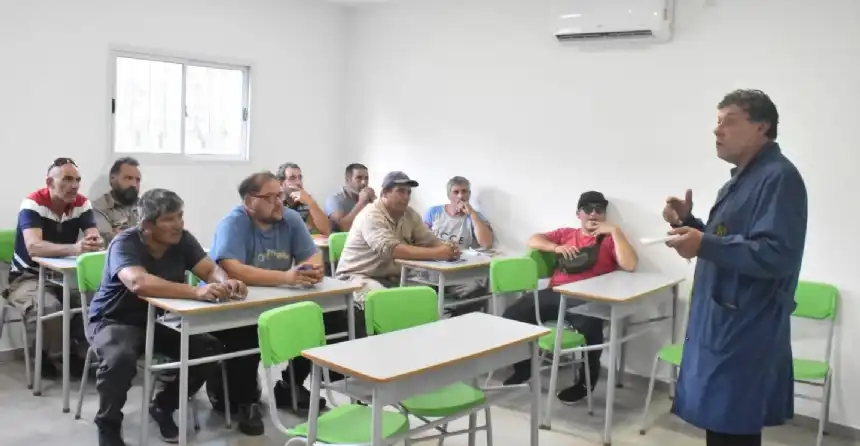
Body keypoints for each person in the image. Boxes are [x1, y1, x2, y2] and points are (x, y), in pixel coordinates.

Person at [664, 89, 807, 446]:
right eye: (716, 122)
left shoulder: (779, 178)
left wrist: (703, 243)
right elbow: (728, 239)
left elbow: (775, 253)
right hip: (723, 323)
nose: (717, 130)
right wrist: (690, 224)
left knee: (733, 431)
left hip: (745, 329)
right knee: (721, 427)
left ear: (762, 127)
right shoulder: (740, 180)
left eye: (728, 121)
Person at [87, 188, 247, 446]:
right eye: (169, 219)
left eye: (180, 216)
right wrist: (195, 291)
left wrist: (225, 282)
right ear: (147, 226)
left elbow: (209, 269)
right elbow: (138, 282)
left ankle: (164, 405)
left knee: (208, 349)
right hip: (113, 320)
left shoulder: (183, 240)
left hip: (153, 321)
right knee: (120, 359)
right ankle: (108, 425)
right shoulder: (124, 243)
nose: (178, 224)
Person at [205, 171, 344, 435]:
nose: (279, 202)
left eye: (279, 195)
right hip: (236, 305)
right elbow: (232, 268)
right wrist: (287, 277)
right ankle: (247, 401)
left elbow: (312, 257)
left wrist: (311, 271)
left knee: (327, 318)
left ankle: (291, 384)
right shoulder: (233, 223)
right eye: (270, 198)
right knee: (246, 334)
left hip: (277, 299)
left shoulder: (290, 219)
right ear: (250, 202)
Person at [501, 191, 638, 404]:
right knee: (512, 314)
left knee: (591, 327)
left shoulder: (610, 240)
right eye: (588, 209)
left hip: (587, 298)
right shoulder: (566, 234)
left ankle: (585, 383)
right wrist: (556, 247)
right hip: (555, 293)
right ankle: (524, 367)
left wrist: (615, 231)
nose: (593, 214)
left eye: (599, 210)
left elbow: (630, 265)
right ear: (578, 214)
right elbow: (533, 240)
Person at [5, 157, 102, 378]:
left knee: (91, 302)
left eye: (77, 180)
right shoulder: (33, 204)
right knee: (50, 307)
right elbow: (34, 247)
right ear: (49, 182)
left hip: (62, 275)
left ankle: (76, 353)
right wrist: (74, 248)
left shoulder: (82, 204)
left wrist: (94, 241)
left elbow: (93, 234)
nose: (74, 185)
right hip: (27, 276)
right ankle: (53, 355)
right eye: (67, 179)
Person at [335, 171, 459, 303]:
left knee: (428, 294)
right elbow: (391, 249)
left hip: (393, 277)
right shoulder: (371, 214)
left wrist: (448, 248)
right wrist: (438, 253)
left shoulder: (410, 214)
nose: (406, 197)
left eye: (408, 192)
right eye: (400, 191)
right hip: (357, 276)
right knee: (386, 301)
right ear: (384, 193)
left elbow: (429, 240)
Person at [422, 175, 494, 306]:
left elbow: (486, 243)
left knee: (476, 289)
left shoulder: (476, 216)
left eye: (464, 191)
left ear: (469, 194)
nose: (461, 196)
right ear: (449, 195)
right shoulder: (434, 212)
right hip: (433, 267)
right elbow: (420, 238)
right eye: (456, 192)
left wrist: (472, 214)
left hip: (458, 270)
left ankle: (454, 315)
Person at [92, 157, 141, 243]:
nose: (134, 184)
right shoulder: (98, 208)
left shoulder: (144, 205)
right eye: (128, 178)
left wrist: (121, 235)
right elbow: (108, 242)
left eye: (137, 180)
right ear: (112, 179)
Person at [276, 162, 330, 236]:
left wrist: (310, 202)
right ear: (281, 183)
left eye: (300, 178)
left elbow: (326, 230)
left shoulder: (306, 200)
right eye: (292, 178)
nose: (298, 182)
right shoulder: (274, 202)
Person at [325, 163, 375, 232]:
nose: (364, 182)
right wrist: (361, 203)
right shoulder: (334, 199)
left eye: (366, 178)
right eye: (359, 178)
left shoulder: (368, 197)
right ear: (347, 180)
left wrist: (376, 202)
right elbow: (344, 228)